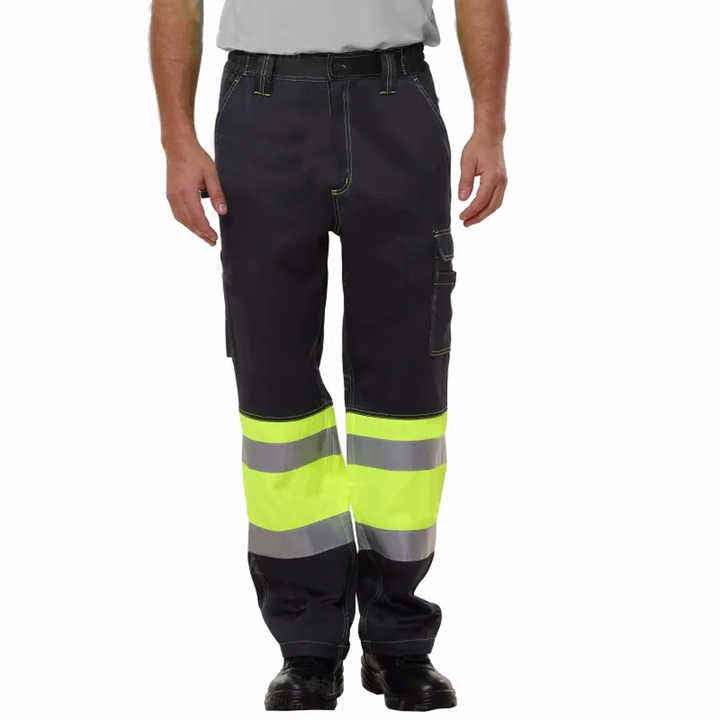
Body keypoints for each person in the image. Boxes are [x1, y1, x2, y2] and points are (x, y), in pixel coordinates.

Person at [150, 0, 509, 711]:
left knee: (404, 391)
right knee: (275, 387)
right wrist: (177, 141)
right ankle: (308, 646)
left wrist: (490, 127)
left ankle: (397, 641)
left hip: (395, 101)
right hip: (262, 108)